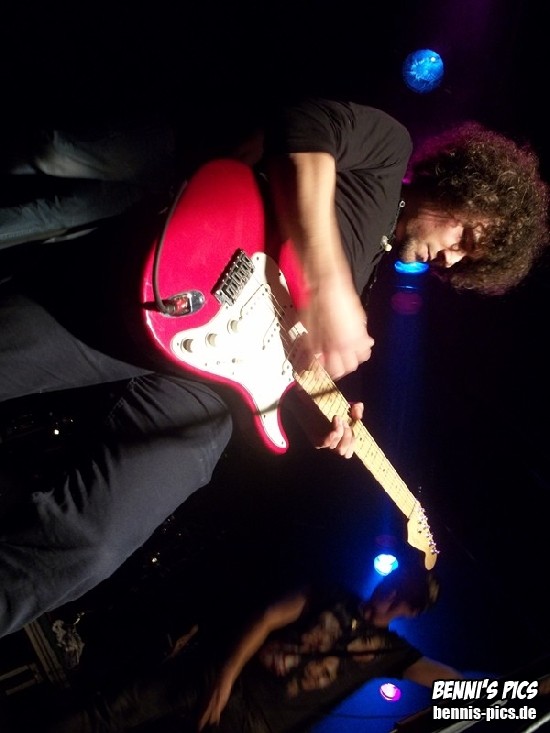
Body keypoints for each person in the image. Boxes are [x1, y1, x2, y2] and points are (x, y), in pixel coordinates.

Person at [0, 97, 548, 639]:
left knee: (93, 544)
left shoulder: (371, 277)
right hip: (178, 283)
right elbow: (302, 127)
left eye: (466, 263)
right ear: (458, 187)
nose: (451, 260)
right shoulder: (387, 152)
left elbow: (278, 354)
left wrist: (319, 417)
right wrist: (328, 286)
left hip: (206, 395)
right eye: (463, 238)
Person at [9, 563, 463, 732]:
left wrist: (510, 701)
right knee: (108, 715)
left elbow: (455, 686)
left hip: (255, 725)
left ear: (409, 611)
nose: (388, 596)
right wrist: (225, 680)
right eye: (392, 586)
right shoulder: (331, 592)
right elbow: (266, 618)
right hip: (214, 676)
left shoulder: (390, 651)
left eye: (401, 599)